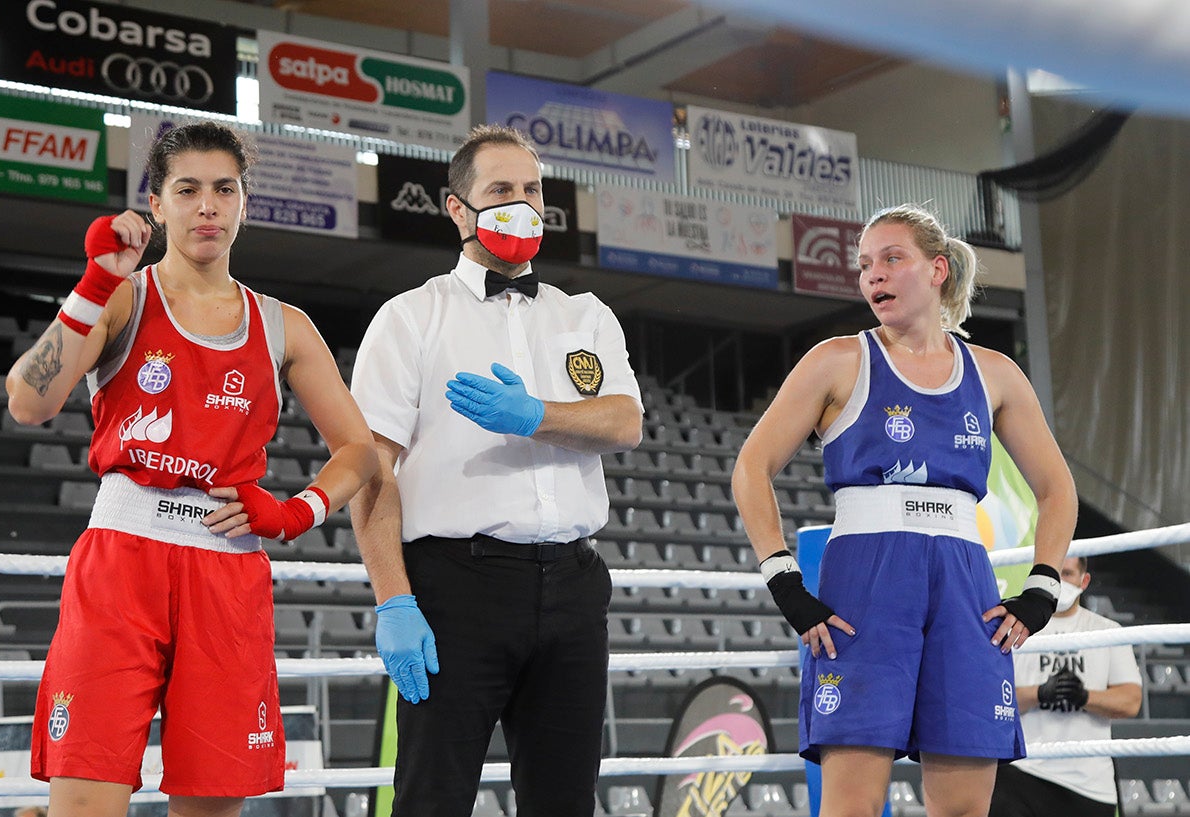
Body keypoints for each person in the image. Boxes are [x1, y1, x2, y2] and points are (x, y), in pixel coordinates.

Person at [5, 121, 376, 817]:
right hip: (122, 563)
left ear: (244, 203)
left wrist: (299, 510)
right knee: (85, 802)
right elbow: (28, 399)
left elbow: (360, 450)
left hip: (226, 570)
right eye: (188, 189)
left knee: (211, 807)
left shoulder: (284, 325)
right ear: (156, 204)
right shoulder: (122, 298)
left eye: (223, 189)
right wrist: (93, 282)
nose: (207, 205)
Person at [730, 203, 1079, 817]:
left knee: (965, 807)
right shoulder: (838, 359)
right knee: (851, 806)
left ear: (937, 269)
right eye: (865, 266)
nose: (874, 277)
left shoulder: (994, 373)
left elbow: (1057, 489)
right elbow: (750, 469)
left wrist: (1042, 588)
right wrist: (783, 580)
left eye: (892, 259)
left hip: (965, 583)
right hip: (866, 579)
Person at [348, 124, 644, 817]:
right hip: (456, 587)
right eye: (501, 190)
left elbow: (626, 422)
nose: (521, 203)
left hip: (573, 588)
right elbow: (370, 471)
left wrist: (536, 413)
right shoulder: (410, 318)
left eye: (532, 190)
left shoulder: (586, 316)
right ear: (458, 208)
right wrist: (393, 599)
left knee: (564, 802)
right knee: (432, 798)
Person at [989, 556, 1141, 817]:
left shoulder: (1107, 630)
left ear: (1085, 580)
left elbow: (1130, 702)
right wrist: (1039, 693)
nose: (1059, 583)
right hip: (1024, 772)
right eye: (1054, 575)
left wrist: (1083, 696)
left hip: (1089, 783)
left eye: (1068, 574)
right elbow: (994, 700)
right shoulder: (1016, 629)